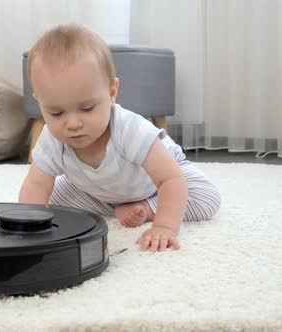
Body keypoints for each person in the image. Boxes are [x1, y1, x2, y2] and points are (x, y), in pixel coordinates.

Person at [19, 24, 221, 252]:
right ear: (40, 102)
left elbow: (170, 179)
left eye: (86, 108)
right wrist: (31, 229)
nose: (73, 123)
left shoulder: (129, 129)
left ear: (111, 92)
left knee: (206, 198)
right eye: (56, 113)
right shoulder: (52, 139)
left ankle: (147, 208)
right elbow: (36, 185)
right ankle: (120, 207)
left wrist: (164, 226)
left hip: (157, 183)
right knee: (52, 200)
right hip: (98, 190)